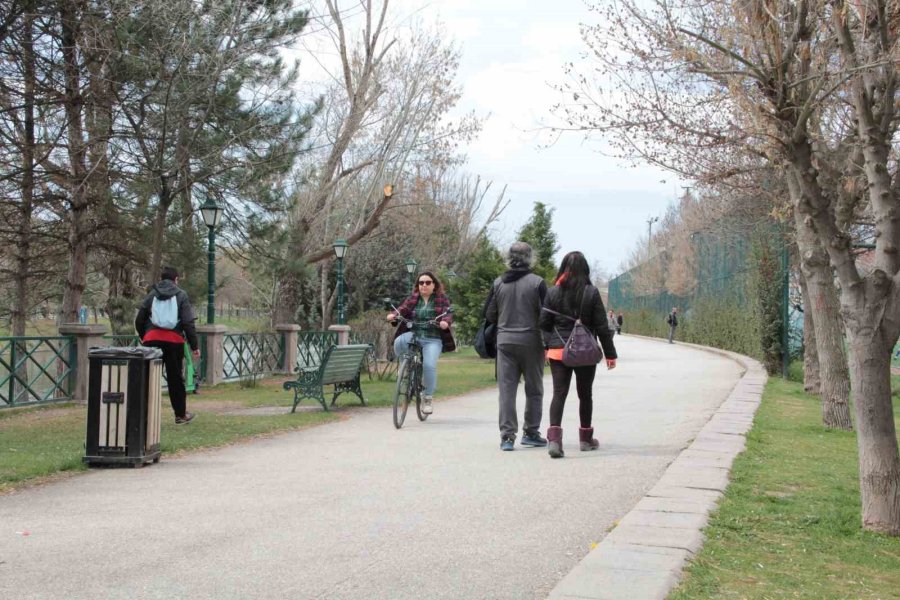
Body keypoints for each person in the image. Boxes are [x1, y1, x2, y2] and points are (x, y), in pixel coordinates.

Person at [540, 251, 617, 458]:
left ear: (564, 268)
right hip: (585, 351)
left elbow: (544, 324)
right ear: (585, 269)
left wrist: (548, 346)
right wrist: (610, 355)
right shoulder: (591, 292)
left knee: (559, 393)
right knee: (585, 394)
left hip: (558, 351)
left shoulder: (553, 292)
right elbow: (602, 326)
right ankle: (585, 439)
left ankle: (554, 440)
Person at [486, 241, 548, 451]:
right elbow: (546, 316)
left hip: (505, 341)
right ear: (530, 257)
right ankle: (531, 432)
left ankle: (507, 437)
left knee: (506, 390)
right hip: (531, 342)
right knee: (534, 389)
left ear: (509, 258)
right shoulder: (537, 282)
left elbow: (490, 314)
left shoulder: (498, 283)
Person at [135, 266, 200, 424]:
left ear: (161, 279)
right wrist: (194, 345)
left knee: (148, 378)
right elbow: (188, 322)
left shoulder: (152, 294)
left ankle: (142, 417)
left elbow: (140, 319)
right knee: (175, 379)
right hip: (173, 341)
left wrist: (146, 337)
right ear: (176, 279)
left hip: (152, 340)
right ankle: (180, 415)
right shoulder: (181, 295)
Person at [387, 271, 452, 415]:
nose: (424, 285)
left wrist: (444, 322)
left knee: (429, 365)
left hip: (432, 338)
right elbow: (402, 310)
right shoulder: (413, 298)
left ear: (434, 285)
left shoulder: (441, 299)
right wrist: (394, 316)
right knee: (398, 341)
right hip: (414, 334)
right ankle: (406, 365)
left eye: (427, 282)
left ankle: (427, 397)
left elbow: (448, 314)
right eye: (421, 283)